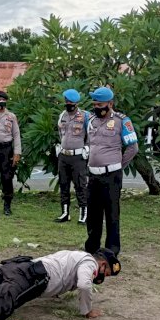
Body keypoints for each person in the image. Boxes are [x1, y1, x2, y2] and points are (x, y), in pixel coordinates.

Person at [84, 87, 138, 256]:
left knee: (112, 212)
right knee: (93, 213)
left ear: (110, 104)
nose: (97, 107)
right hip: (93, 174)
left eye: (100, 104)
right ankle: (92, 246)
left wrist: (118, 165)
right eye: (95, 104)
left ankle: (112, 249)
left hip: (111, 175)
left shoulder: (122, 121)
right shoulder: (91, 120)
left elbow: (132, 148)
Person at [54, 89, 90, 224]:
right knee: (64, 184)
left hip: (78, 156)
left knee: (80, 185)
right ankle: (65, 213)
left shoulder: (85, 116)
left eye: (71, 102)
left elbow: (90, 135)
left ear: (76, 103)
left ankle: (83, 214)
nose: (68, 104)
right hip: (64, 155)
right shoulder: (62, 115)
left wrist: (87, 149)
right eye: (67, 101)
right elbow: (60, 133)